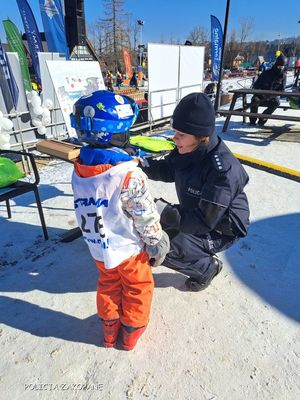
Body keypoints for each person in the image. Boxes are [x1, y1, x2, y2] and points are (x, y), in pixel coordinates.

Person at [70, 90, 169, 350]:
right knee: (138, 287)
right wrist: (157, 239)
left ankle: (109, 331)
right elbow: (144, 215)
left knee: (108, 284)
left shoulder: (80, 168)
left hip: (99, 246)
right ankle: (130, 333)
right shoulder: (128, 175)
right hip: (128, 249)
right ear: (117, 134)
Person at [140, 92, 250, 292]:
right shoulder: (188, 149)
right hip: (197, 212)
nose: (175, 138)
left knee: (158, 246)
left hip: (220, 228)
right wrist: (140, 164)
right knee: (146, 228)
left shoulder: (222, 170)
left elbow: (202, 221)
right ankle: (190, 247)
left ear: (202, 137)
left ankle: (206, 268)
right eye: (175, 132)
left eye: (181, 134)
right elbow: (168, 169)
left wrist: (158, 208)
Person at [249, 54, 287, 126]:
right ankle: (252, 120)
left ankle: (262, 119)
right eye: (279, 66)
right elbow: (257, 84)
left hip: (272, 97)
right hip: (261, 95)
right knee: (254, 100)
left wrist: (272, 95)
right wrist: (261, 93)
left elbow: (282, 89)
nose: (280, 68)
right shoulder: (266, 73)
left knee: (276, 103)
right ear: (276, 65)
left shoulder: (283, 76)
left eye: (282, 67)